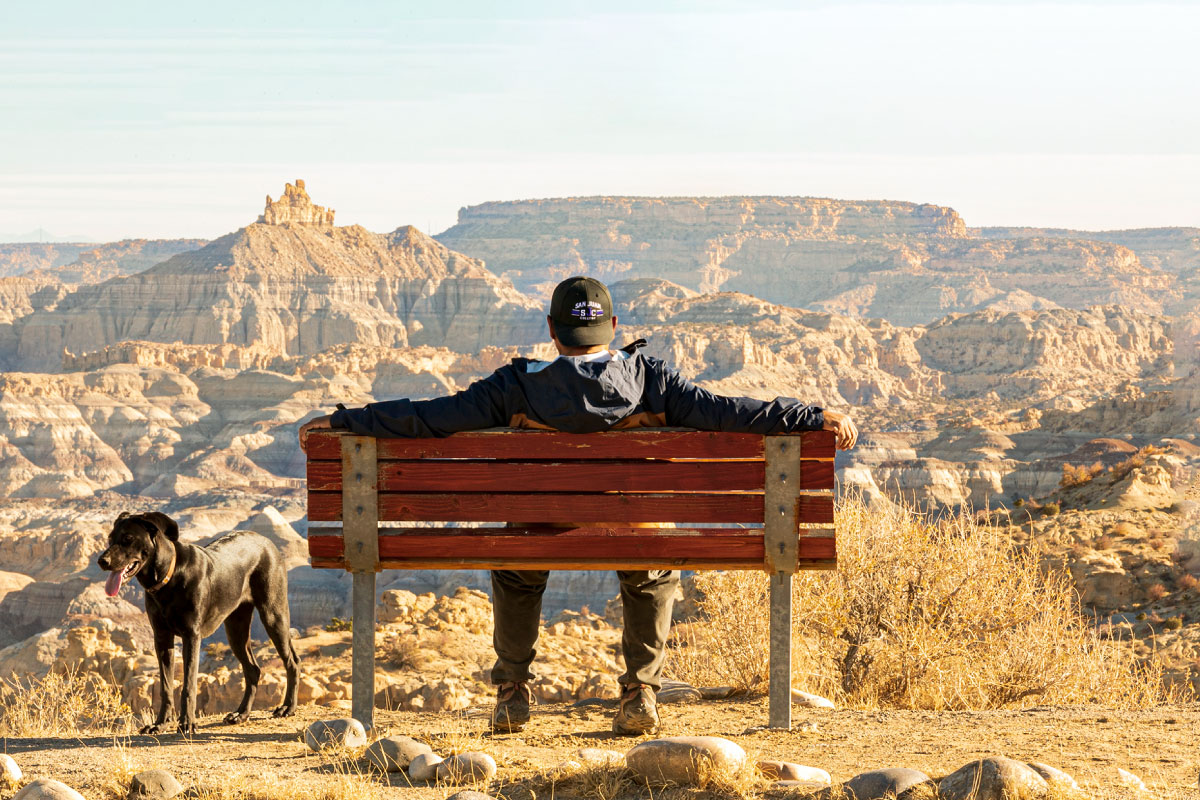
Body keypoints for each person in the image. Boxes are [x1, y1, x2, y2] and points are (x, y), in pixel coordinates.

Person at [299, 276, 857, 735]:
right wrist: (809, 415)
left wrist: (347, 419)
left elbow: (431, 415)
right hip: (635, 532)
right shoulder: (649, 377)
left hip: (539, 529)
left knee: (516, 566)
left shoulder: (514, 385)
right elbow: (729, 411)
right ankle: (640, 692)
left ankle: (513, 691)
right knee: (651, 567)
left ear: (552, 330)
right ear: (612, 329)